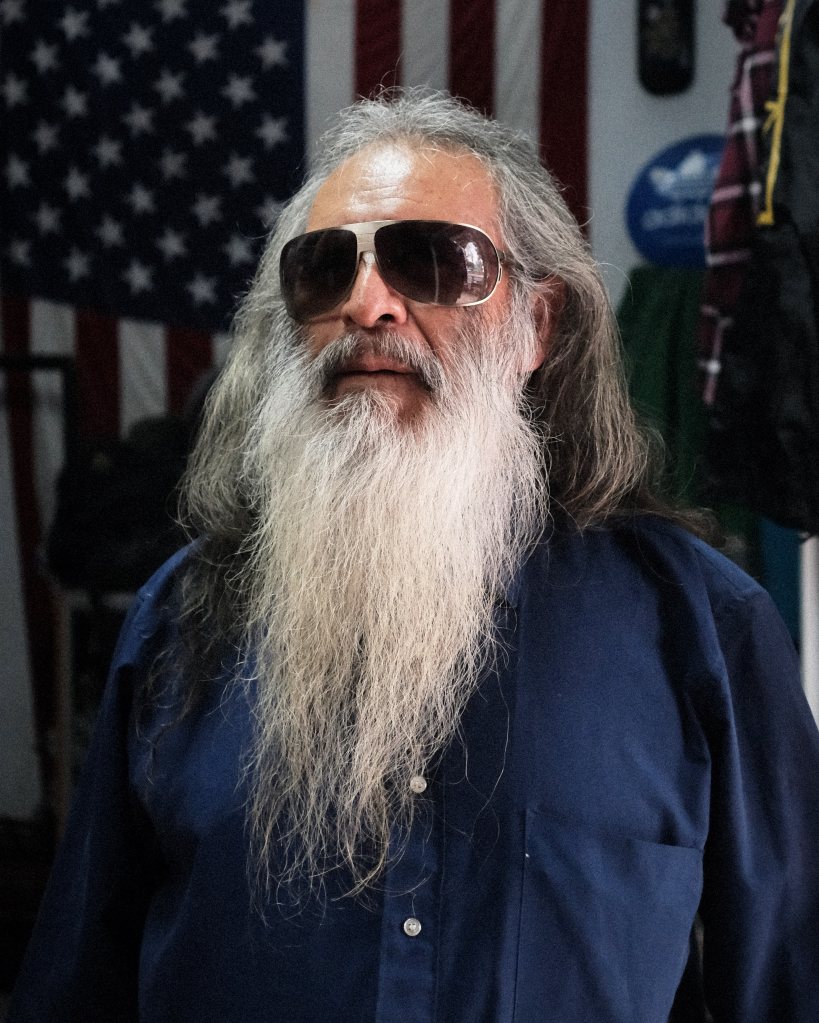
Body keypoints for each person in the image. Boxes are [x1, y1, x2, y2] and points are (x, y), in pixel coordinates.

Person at [9, 89, 819, 1023]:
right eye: (324, 268)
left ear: (536, 325)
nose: (366, 303)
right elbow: (77, 987)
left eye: (432, 260)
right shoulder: (178, 620)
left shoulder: (705, 628)